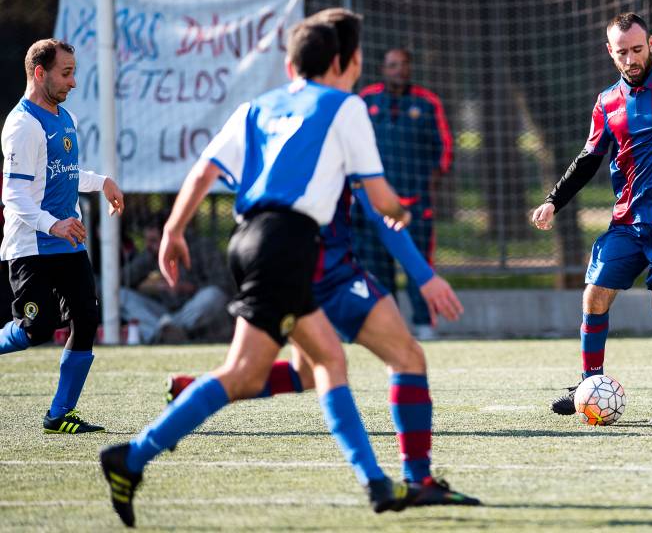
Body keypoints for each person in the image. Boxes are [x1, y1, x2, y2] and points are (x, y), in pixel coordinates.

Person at [99, 10, 423, 528]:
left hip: (250, 238)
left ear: (290, 65)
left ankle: (377, 484)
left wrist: (176, 230)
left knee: (327, 362)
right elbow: (379, 195)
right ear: (344, 61)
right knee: (242, 373)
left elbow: (205, 169)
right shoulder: (345, 106)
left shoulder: (259, 106)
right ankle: (132, 456)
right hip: (288, 245)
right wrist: (403, 212)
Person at [167, 178, 480, 506]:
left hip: (270, 258)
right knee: (407, 357)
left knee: (302, 373)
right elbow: (380, 212)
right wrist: (424, 276)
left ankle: (193, 392)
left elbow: (212, 172)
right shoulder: (342, 127)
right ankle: (419, 479)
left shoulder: (262, 125)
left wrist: (173, 229)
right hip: (326, 271)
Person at [531, 13, 652, 425]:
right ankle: (589, 384)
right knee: (594, 296)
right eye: (622, 52)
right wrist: (554, 200)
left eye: (637, 50)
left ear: (651, 44)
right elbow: (588, 159)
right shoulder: (607, 102)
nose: (630, 59)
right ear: (610, 52)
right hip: (627, 222)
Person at [0, 39, 125, 434]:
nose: (73, 82)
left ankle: (59, 414)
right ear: (40, 73)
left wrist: (101, 181)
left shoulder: (63, 117)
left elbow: (63, 173)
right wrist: (51, 224)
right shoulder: (22, 125)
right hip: (32, 245)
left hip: (67, 241)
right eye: (66, 73)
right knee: (36, 328)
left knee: (86, 319)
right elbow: (13, 195)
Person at [356, 48, 453, 341]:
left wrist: (427, 187)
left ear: (410, 68)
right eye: (392, 65)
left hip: (414, 206)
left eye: (403, 65)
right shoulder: (366, 100)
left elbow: (445, 150)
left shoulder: (427, 102)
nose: (398, 70)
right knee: (377, 269)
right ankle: (389, 329)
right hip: (372, 206)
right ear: (383, 69)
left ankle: (424, 326)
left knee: (419, 266)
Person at [120, 219, 232, 343]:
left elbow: (224, 284)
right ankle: (164, 332)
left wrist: (187, 287)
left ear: (168, 237)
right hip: (164, 313)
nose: (148, 246)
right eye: (147, 240)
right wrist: (152, 287)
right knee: (121, 296)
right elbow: (124, 279)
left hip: (193, 311)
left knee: (213, 295)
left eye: (153, 240)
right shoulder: (151, 254)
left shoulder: (201, 248)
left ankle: (164, 331)